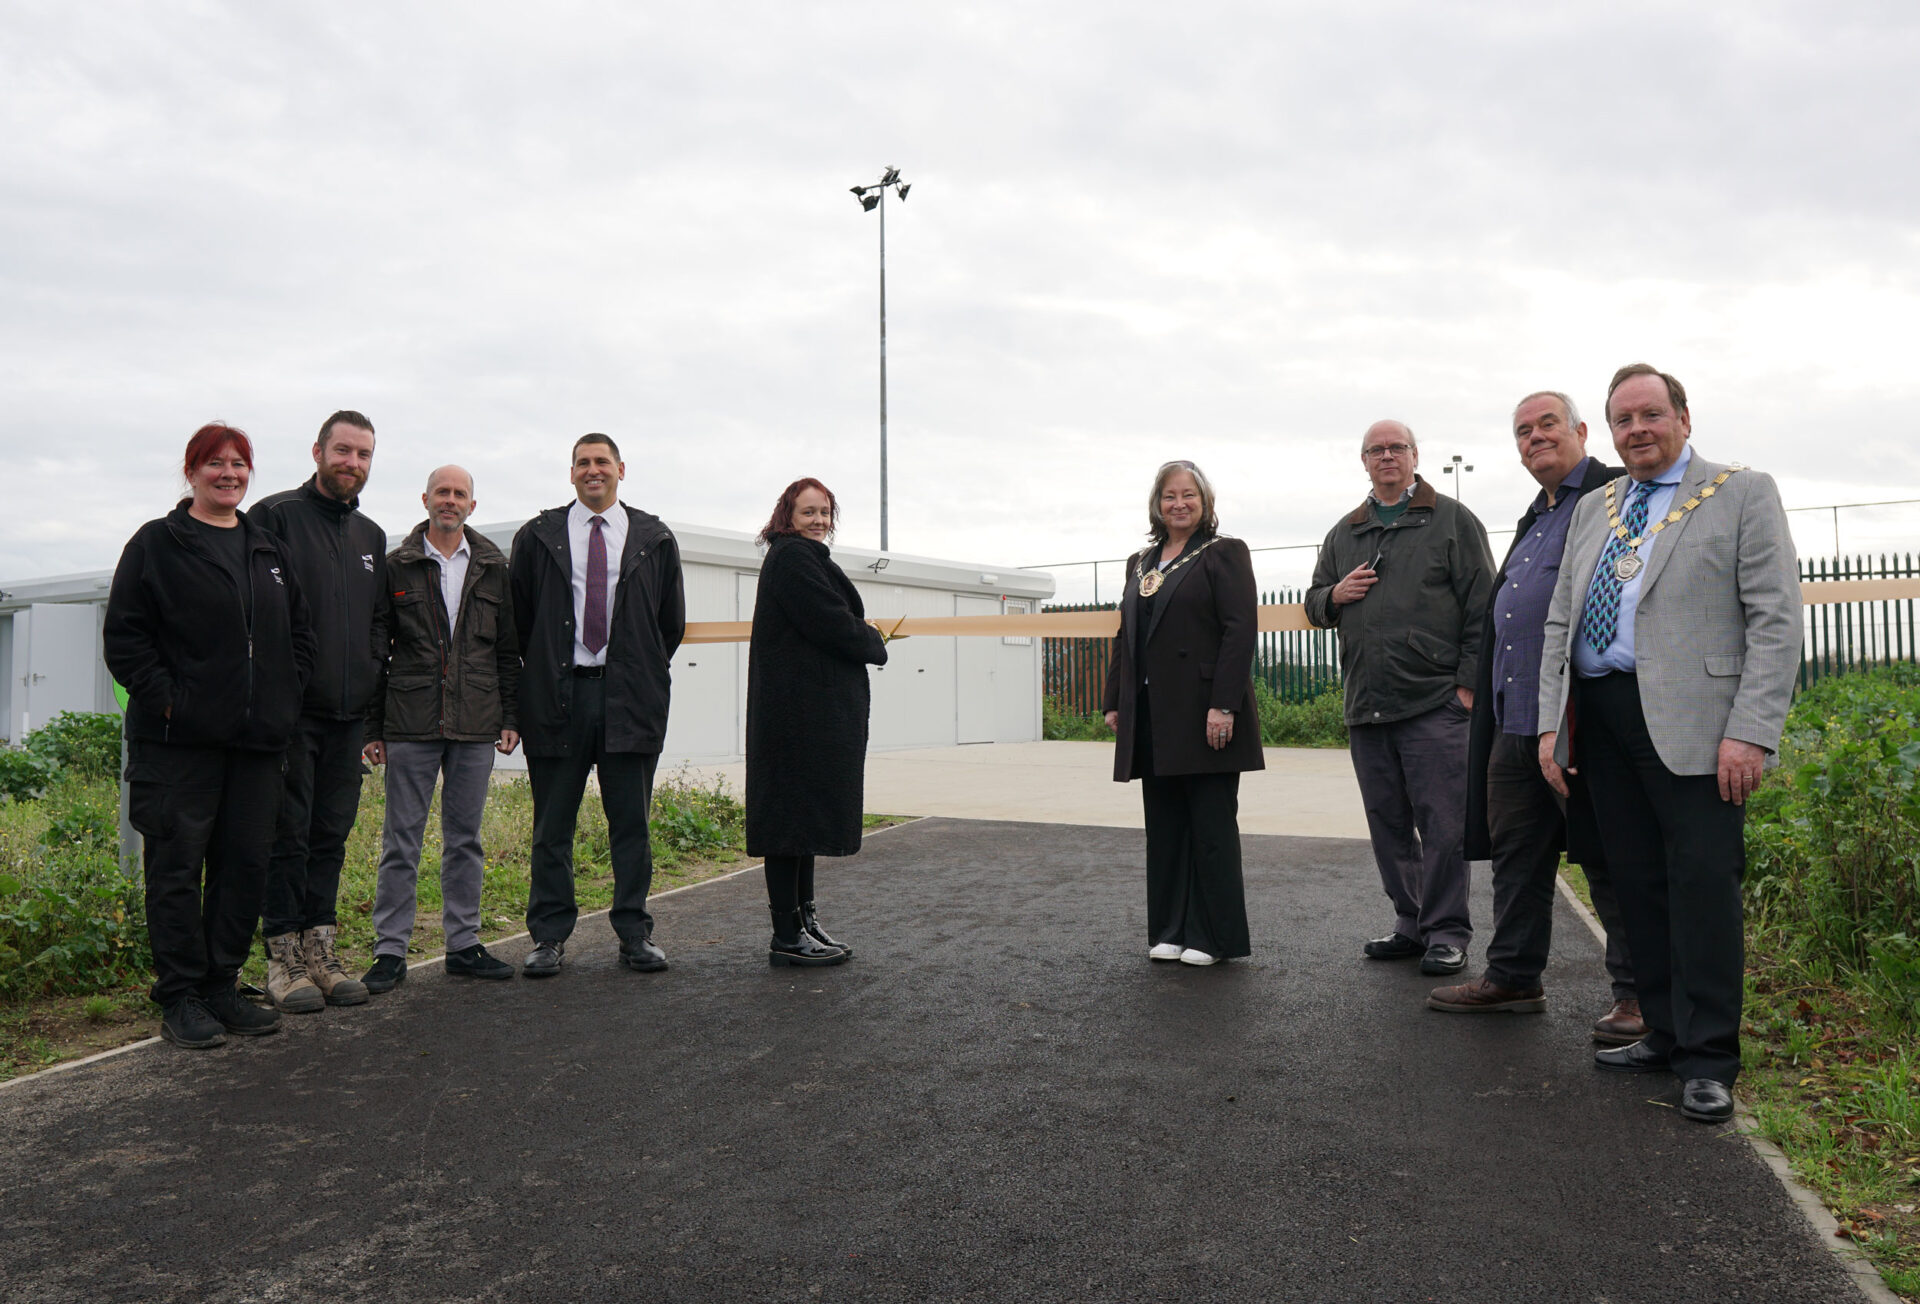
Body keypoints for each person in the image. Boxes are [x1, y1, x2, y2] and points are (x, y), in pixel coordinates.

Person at [1539, 364, 1799, 1124]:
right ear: (1610, 434)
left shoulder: (1743, 492)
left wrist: (1750, 731)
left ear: (1684, 417)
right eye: (1623, 420)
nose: (1637, 430)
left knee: (1701, 887)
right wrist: (1553, 722)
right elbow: (1561, 618)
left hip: (1699, 725)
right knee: (1634, 883)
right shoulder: (1596, 506)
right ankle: (1663, 1029)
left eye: (1651, 414)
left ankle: (1710, 1057)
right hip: (1605, 720)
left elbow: (1776, 621)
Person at [1431, 391, 1643, 1042]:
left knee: (1607, 856)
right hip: (1514, 720)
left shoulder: (1615, 495)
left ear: (1581, 431)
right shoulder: (1537, 514)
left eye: (1548, 425)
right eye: (1523, 432)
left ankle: (1639, 997)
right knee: (1517, 859)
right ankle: (1514, 976)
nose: (1535, 438)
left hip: (1579, 718)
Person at [103, 423, 316, 1049]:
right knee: (175, 868)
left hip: (255, 745)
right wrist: (172, 704)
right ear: (191, 471)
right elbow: (125, 640)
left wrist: (283, 696)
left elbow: (298, 636)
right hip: (179, 747)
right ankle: (180, 995)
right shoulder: (158, 544)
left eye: (239, 464)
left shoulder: (266, 548)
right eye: (215, 463)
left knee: (243, 866)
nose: (229, 474)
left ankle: (222, 985)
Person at [1305, 421, 1493, 975]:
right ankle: (1410, 924)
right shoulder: (1346, 531)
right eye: (1376, 450)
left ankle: (1447, 932)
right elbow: (1315, 602)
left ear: (1415, 456)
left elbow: (1484, 605)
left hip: (1434, 702)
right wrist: (1334, 596)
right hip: (1367, 704)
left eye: (1397, 448)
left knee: (1443, 825)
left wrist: (1466, 688)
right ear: (1363, 461)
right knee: (1387, 823)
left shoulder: (1452, 521)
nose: (1387, 456)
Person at [509, 433, 686, 977]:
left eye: (602, 462)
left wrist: (638, 669)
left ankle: (634, 933)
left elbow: (669, 624)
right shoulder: (538, 536)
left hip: (629, 698)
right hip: (557, 699)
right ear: (571, 473)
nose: (593, 470)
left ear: (621, 470)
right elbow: (520, 620)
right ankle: (548, 936)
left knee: (631, 823)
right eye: (583, 463)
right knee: (551, 827)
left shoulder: (653, 537)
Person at [359, 467, 522, 992]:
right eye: (442, 493)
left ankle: (463, 944)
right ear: (425, 499)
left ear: (472, 505)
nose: (450, 501)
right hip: (409, 721)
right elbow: (375, 651)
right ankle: (389, 952)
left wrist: (511, 718)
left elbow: (506, 652)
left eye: (459, 494)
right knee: (400, 841)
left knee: (465, 840)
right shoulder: (396, 567)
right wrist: (373, 726)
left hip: (477, 722)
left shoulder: (496, 568)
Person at [247, 410, 385, 1013]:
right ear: (317, 451)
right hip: (291, 715)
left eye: (363, 455)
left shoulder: (371, 537)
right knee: (288, 835)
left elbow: (379, 622)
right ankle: (282, 961)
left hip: (348, 715)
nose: (352, 463)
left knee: (331, 834)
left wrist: (371, 672)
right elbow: (253, 611)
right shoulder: (274, 518)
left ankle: (322, 953)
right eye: (343, 450)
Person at [1100, 460, 1262, 966]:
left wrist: (1224, 704)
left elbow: (1240, 630)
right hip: (1152, 715)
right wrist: (1115, 700)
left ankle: (1212, 937)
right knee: (1166, 828)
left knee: (1210, 829)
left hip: (1205, 713)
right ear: (1157, 504)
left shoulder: (1224, 554)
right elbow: (1127, 635)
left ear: (1204, 501)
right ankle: (1170, 928)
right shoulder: (1140, 561)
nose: (1179, 504)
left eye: (1189, 495)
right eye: (1170, 496)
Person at [744, 478, 889, 967]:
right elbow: (828, 620)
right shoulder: (791, 557)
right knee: (789, 822)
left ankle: (804, 920)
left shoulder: (804, 557)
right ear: (787, 515)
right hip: (795, 716)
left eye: (825, 512)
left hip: (805, 713)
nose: (819, 521)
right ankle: (785, 933)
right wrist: (873, 642)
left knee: (801, 821)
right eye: (808, 512)